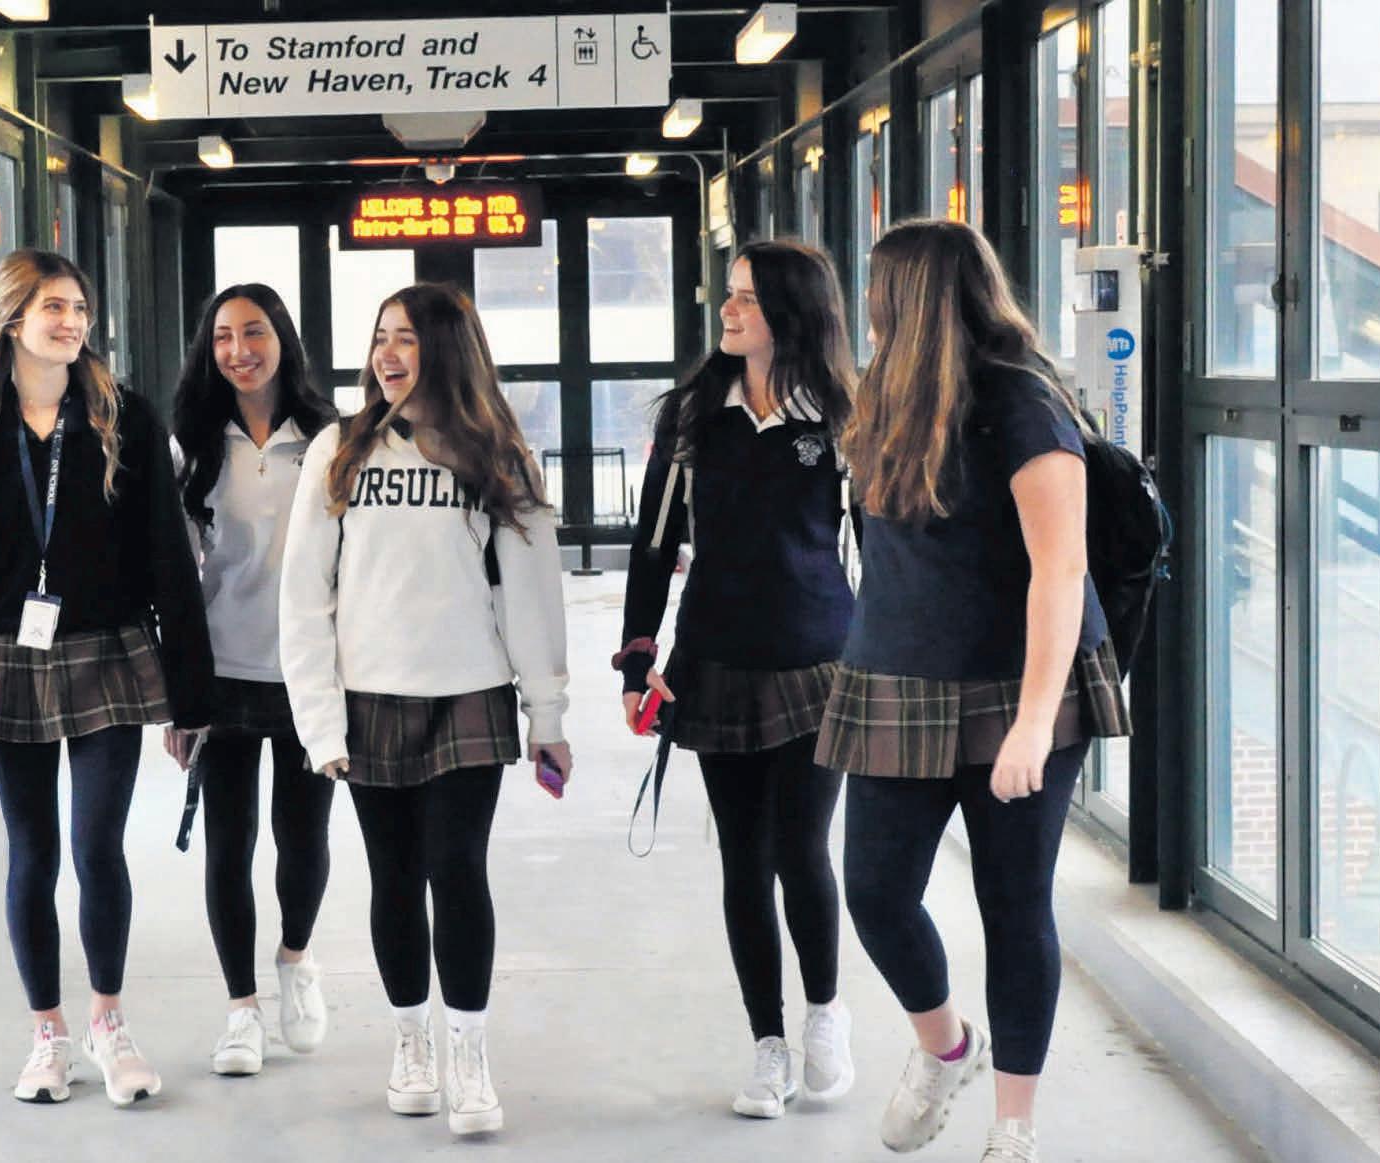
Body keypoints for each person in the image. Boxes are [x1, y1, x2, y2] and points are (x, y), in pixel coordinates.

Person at [817, 220, 1132, 1163]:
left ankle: (1013, 1126)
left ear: (908, 299)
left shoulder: (1022, 403)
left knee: (1012, 903)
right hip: (894, 676)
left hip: (1015, 684)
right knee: (875, 892)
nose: (868, 307)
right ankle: (945, 1044)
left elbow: (1060, 570)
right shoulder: (882, 396)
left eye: (878, 290)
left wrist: (1033, 723)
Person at [0, 249, 215, 1109]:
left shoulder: (123, 417)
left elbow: (168, 559)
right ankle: (48, 1033)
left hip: (108, 650)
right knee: (33, 851)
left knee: (96, 845)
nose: (71, 321)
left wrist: (190, 696)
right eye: (52, 306)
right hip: (9, 655)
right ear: (12, 318)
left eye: (78, 307)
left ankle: (109, 1022)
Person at [279, 282, 571, 1137]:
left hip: (468, 693)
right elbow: (304, 596)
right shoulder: (339, 447)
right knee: (395, 876)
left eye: (405, 337)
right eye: (380, 337)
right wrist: (318, 722)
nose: (386, 353)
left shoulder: (497, 453)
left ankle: (468, 1054)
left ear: (445, 348)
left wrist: (546, 714)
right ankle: (411, 1043)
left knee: (458, 869)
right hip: (369, 696)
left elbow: (531, 593)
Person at [615, 239, 860, 1120]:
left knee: (802, 849)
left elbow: (879, 547)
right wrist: (636, 659)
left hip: (819, 662)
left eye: (747, 297)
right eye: (729, 294)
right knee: (743, 859)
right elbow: (652, 546)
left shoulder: (841, 417)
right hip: (713, 663)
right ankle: (767, 1042)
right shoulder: (692, 417)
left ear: (791, 312)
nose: (728, 309)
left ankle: (824, 1012)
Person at [165, 284, 341, 1075]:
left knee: (303, 836)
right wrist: (179, 694)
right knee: (227, 844)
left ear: (282, 340)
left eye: (254, 332)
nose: (239, 350)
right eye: (223, 337)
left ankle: (295, 958)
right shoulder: (192, 445)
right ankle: (241, 1009)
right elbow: (175, 577)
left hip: (308, 672)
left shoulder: (330, 438)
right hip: (221, 672)